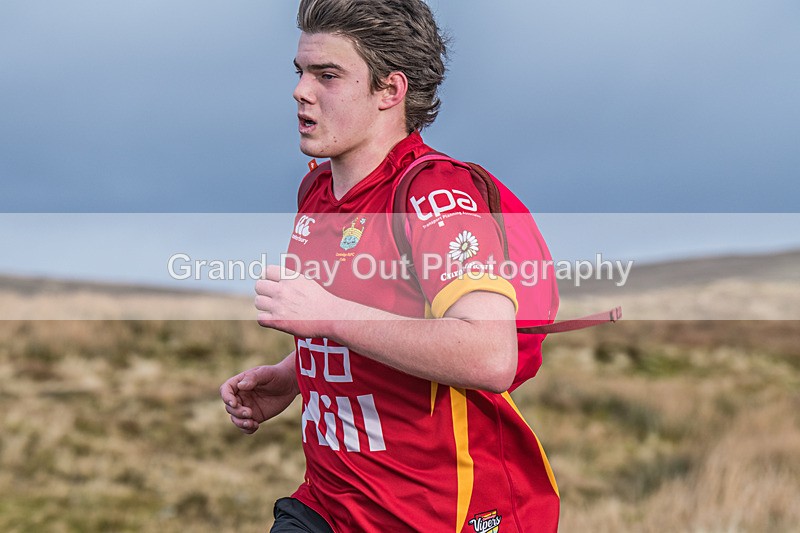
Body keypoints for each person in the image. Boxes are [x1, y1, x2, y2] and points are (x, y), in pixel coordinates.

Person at [220, 0, 560, 530]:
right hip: (329, 505)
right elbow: (376, 317)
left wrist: (329, 316)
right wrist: (292, 377)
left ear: (390, 91)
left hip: (440, 515)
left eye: (327, 75)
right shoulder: (317, 192)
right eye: (300, 72)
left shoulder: (437, 195)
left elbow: (490, 354)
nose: (301, 91)